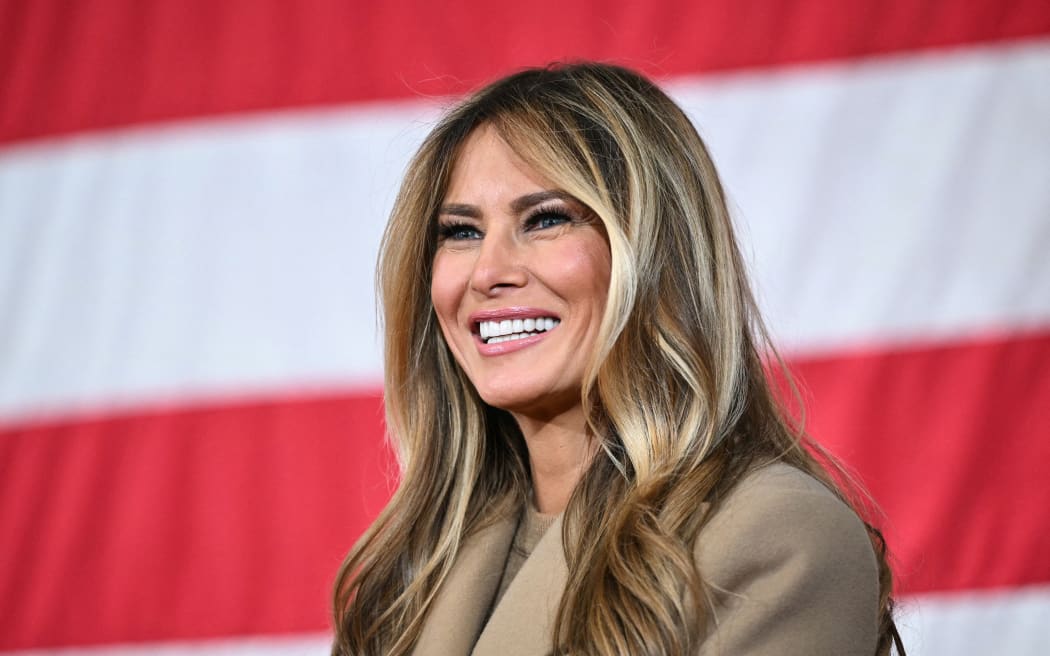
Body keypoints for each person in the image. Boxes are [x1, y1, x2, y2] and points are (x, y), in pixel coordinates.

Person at [331, 62, 903, 656]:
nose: (488, 272)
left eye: (546, 219)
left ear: (656, 253)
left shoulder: (772, 534)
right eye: (461, 232)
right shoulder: (409, 579)